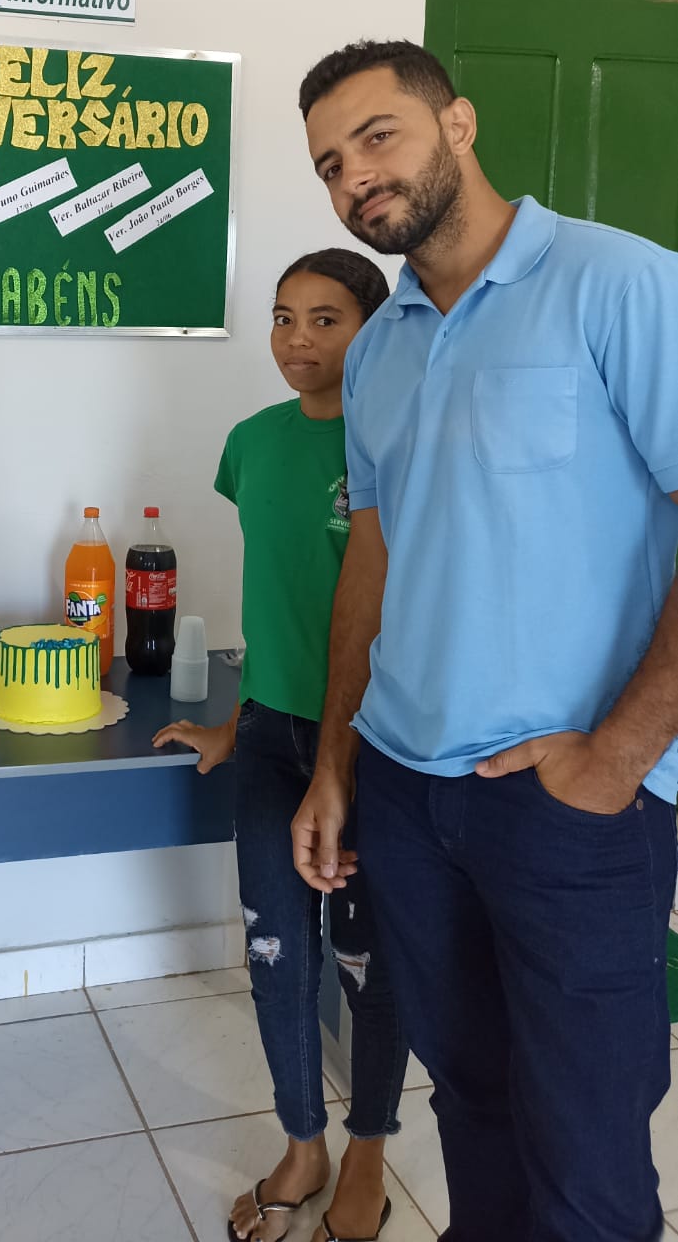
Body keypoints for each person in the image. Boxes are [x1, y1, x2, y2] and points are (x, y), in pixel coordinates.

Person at [291, 38, 678, 1242]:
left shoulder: (621, 283)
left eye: (377, 137)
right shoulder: (380, 347)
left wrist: (615, 760)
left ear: (456, 123)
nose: (356, 176)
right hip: (408, 795)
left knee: (586, 1153)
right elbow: (372, 562)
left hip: (568, 807)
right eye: (329, 164)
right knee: (471, 1104)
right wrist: (336, 762)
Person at [154, 249, 406, 1242]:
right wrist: (236, 722)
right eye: (282, 316)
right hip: (267, 734)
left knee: (366, 961)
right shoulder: (250, 443)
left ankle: (368, 1149)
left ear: (373, 330)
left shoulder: (398, 441)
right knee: (273, 951)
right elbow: (280, 596)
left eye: (325, 319)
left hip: (375, 742)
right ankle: (303, 1143)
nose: (296, 339)